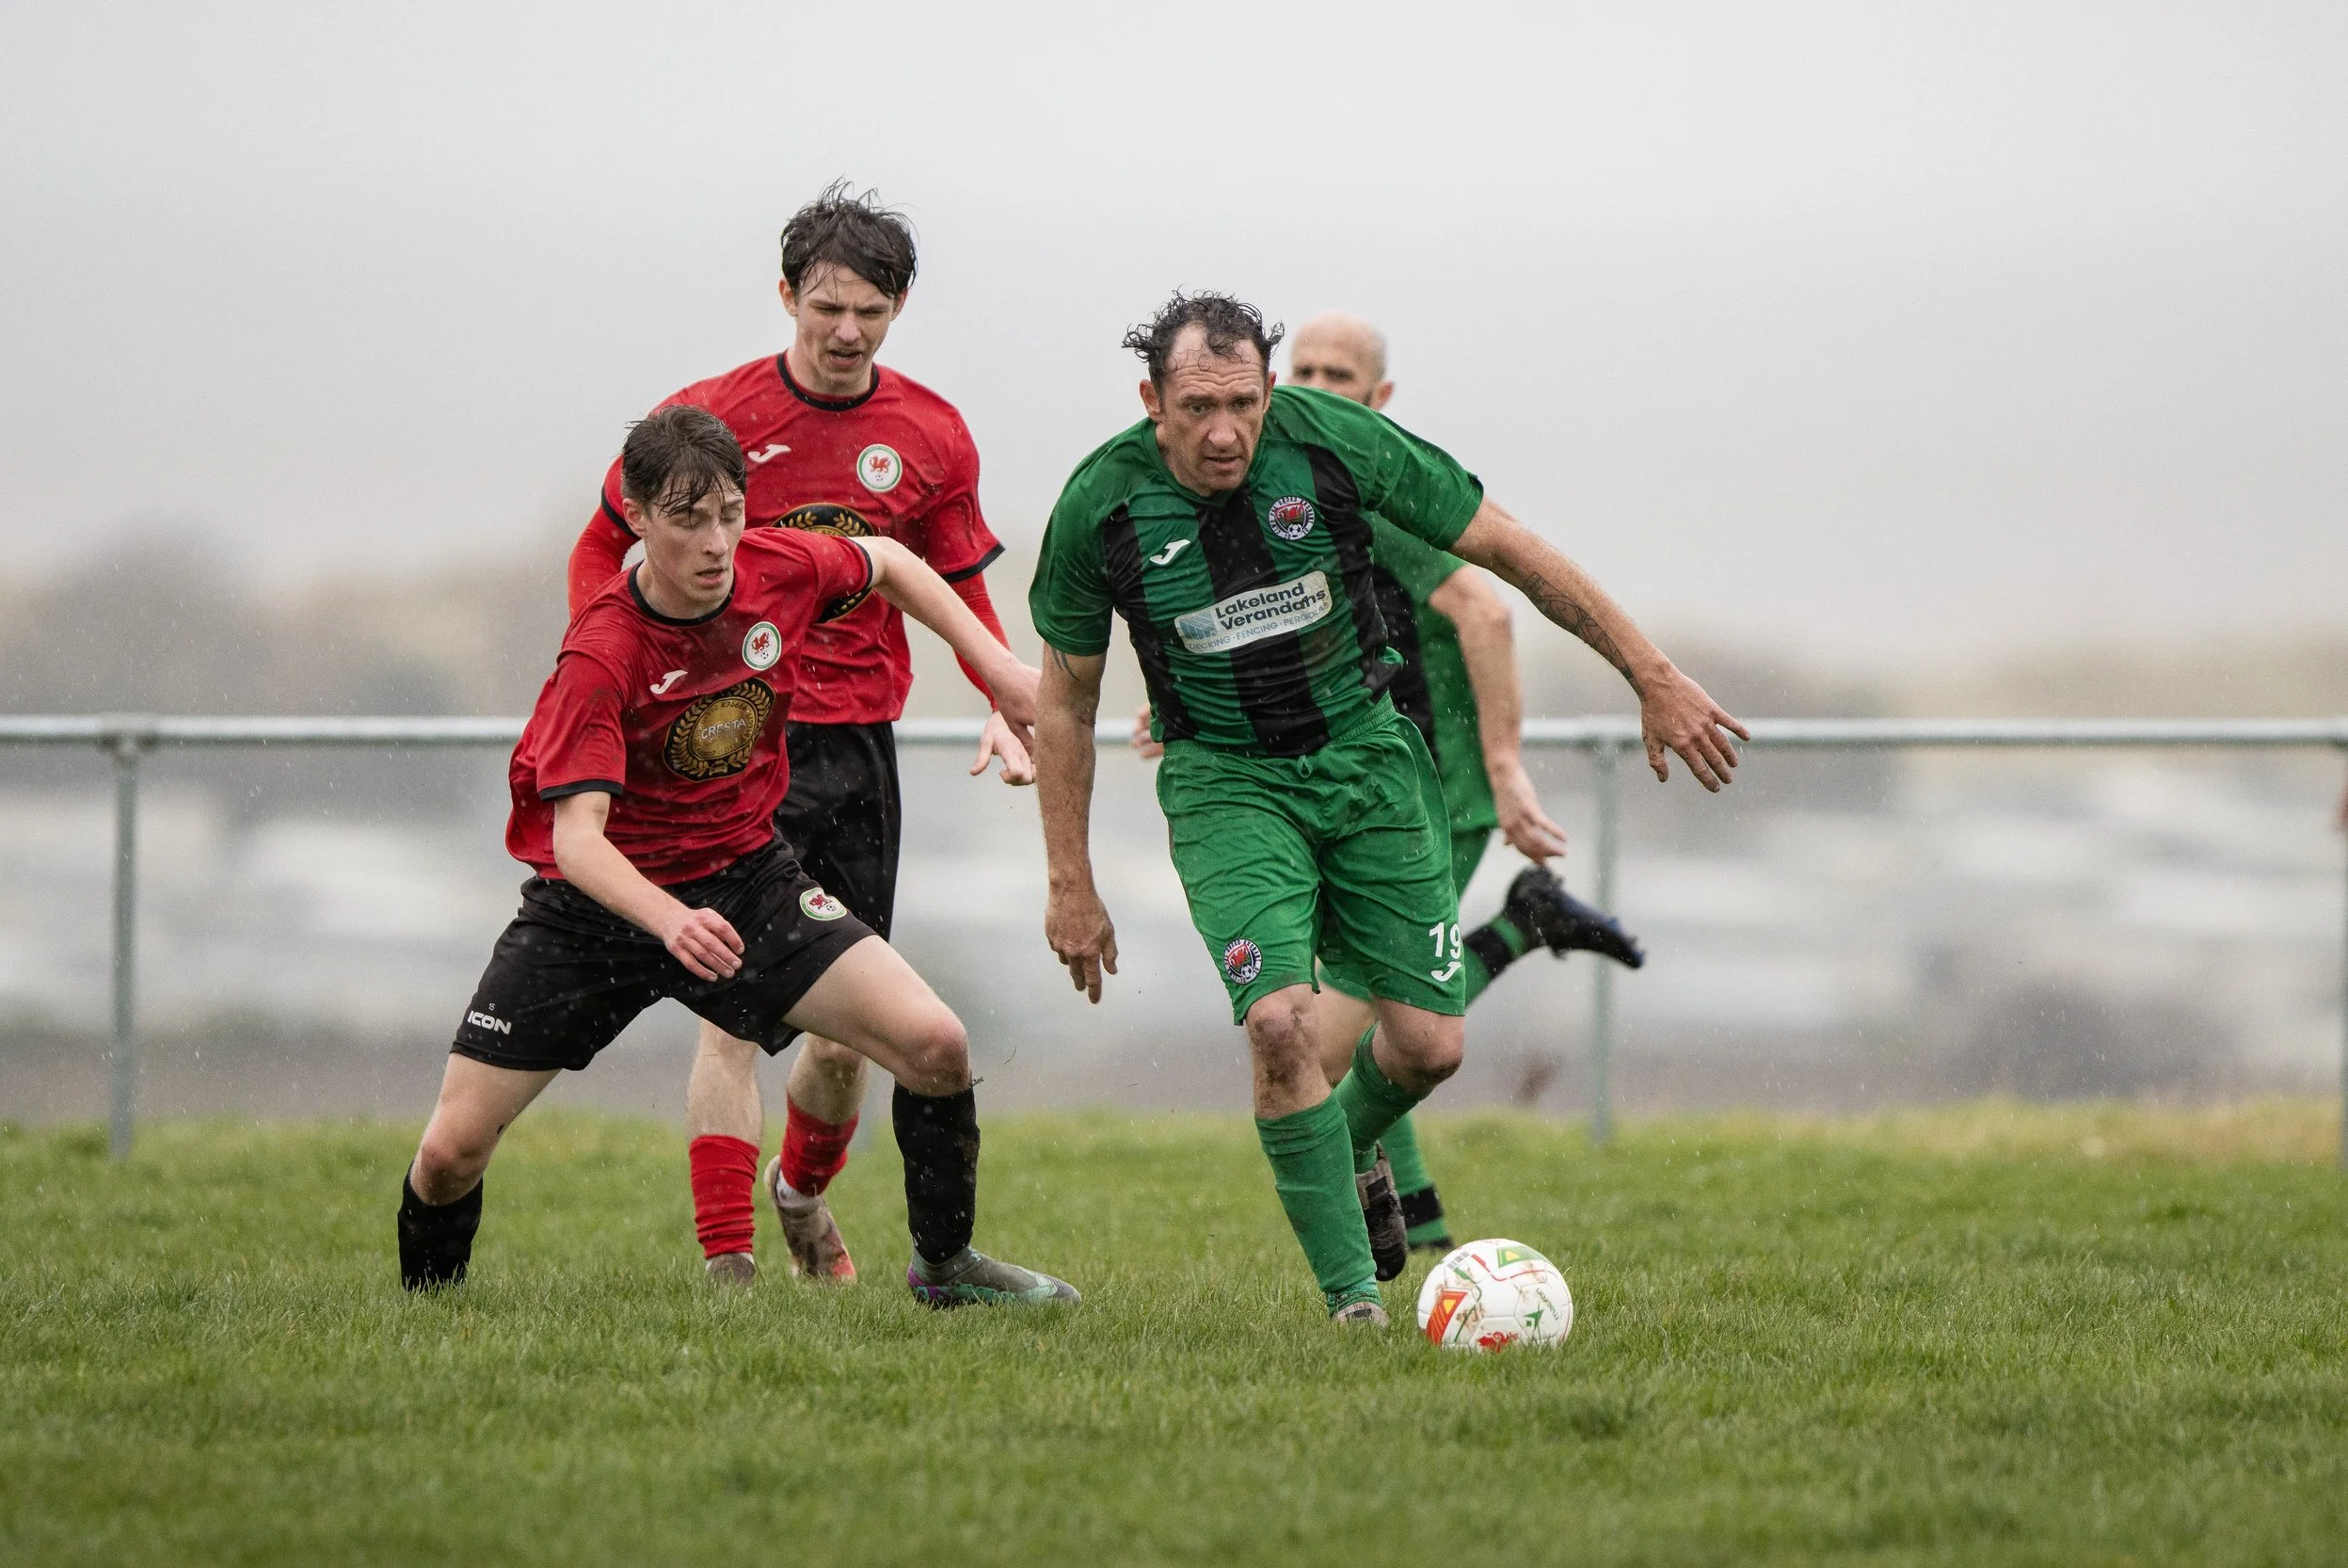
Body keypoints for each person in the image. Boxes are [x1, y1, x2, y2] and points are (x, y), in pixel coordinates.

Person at [1030, 293, 1746, 1326]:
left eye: (1244, 402)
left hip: (1369, 764)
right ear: (1152, 400)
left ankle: (1351, 1140)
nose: (1225, 430)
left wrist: (1650, 673)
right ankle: (1352, 1304)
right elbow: (1064, 699)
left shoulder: (1338, 445)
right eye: (1196, 407)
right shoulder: (1100, 503)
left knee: (1427, 1048)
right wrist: (1070, 880)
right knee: (1281, 1024)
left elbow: (1506, 553)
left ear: (1270, 390)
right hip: (1225, 783)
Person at [402, 405, 1076, 1309]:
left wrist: (993, 666)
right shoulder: (601, 655)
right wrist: (670, 919)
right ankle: (428, 1322)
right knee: (448, 1156)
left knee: (936, 1045)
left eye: (730, 512)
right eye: (688, 519)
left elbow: (889, 562)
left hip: (745, 879)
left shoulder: (777, 568)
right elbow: (577, 842)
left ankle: (945, 1271)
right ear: (636, 517)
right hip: (593, 911)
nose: (717, 542)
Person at [567, 185, 1025, 1287]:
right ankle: (728, 1270)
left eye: (870, 309)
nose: (845, 331)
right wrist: (607, 683)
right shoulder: (712, 419)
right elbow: (599, 551)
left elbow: (954, 586)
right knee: (730, 1014)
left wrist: (1004, 701)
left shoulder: (928, 432)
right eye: (825, 306)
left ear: (899, 306)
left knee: (844, 1032)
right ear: (786, 295)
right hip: (726, 747)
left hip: (856, 744)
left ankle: (801, 1193)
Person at [1133, 310, 1647, 1256]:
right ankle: (1414, 1223)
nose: (1322, 389)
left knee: (1345, 1040)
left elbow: (1485, 612)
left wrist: (1501, 767)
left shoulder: (1369, 492)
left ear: (1380, 398)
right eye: (1308, 371)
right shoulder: (1286, 488)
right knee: (1367, 1027)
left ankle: (1515, 936)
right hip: (1344, 788)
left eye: (1343, 375)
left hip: (1422, 793)